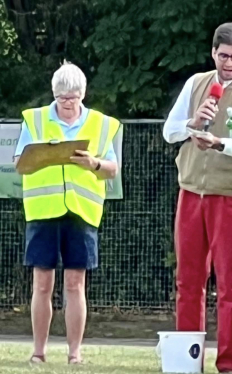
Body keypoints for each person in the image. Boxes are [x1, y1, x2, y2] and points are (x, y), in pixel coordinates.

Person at [163, 23, 232, 374]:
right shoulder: (196, 83)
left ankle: (229, 364)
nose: (229, 63)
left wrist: (218, 143)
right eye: (223, 56)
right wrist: (193, 124)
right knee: (188, 282)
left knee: (231, 285)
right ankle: (186, 362)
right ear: (213, 53)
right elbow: (169, 131)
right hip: (192, 190)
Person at [14, 61, 120, 364]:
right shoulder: (34, 121)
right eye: (62, 98)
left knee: (75, 284)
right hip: (43, 211)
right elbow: (20, 163)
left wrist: (94, 164)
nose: (67, 104)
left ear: (83, 94)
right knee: (42, 284)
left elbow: (112, 169)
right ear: (53, 95)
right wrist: (42, 155)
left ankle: (75, 354)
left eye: (73, 98)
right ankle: (39, 352)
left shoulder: (100, 124)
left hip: (82, 212)